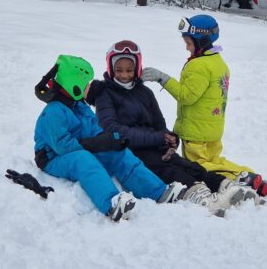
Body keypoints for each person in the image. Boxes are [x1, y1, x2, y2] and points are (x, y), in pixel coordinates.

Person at [86, 40, 260, 216]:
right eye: (119, 70)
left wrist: (169, 139)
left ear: (137, 68)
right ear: (110, 68)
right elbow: (113, 129)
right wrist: (157, 138)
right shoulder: (105, 94)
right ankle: (200, 195)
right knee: (164, 169)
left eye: (129, 70)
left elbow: (158, 123)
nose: (124, 75)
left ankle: (224, 185)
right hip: (130, 149)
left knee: (184, 164)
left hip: (153, 144)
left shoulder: (145, 92)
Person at [31, 54, 189, 221]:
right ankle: (111, 203)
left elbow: (94, 128)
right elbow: (62, 146)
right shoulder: (54, 111)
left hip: (79, 147)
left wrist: (110, 140)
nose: (89, 87)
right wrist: (94, 144)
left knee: (118, 153)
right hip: (52, 157)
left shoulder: (79, 106)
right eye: (86, 83)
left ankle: (158, 192)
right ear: (74, 84)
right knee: (83, 160)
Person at [141, 15, 267, 196]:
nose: (186, 47)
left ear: (201, 40)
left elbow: (186, 96)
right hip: (212, 128)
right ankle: (249, 177)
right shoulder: (218, 63)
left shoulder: (200, 65)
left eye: (188, 43)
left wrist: (162, 78)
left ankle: (242, 178)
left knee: (201, 166)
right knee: (215, 160)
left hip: (196, 131)